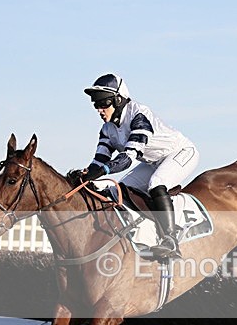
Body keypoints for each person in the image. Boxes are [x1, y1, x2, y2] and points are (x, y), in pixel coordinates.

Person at [70, 73, 199, 259]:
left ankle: (171, 240)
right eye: (96, 104)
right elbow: (98, 162)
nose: (99, 109)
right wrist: (85, 175)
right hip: (153, 162)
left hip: (181, 153)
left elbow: (128, 158)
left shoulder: (138, 115)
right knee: (120, 191)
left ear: (118, 100)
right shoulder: (107, 129)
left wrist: (102, 170)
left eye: (103, 103)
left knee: (156, 184)